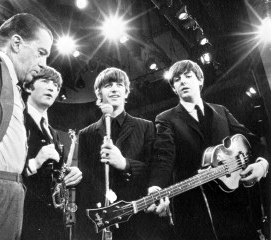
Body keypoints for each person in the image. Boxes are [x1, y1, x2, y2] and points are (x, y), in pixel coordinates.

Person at [148, 59, 269, 240]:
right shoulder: (166, 119)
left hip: (233, 207)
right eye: (177, 80)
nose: (182, 81)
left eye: (188, 76)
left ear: (200, 80)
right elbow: (164, 156)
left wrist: (262, 164)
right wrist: (156, 185)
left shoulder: (221, 112)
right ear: (174, 89)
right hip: (195, 209)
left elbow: (253, 142)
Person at [0, 13, 53, 239]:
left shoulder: (18, 91)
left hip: (13, 196)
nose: (44, 65)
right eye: (41, 53)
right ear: (16, 43)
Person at [76, 67, 169, 240]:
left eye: (119, 85)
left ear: (126, 92)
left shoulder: (146, 126)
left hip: (139, 217)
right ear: (98, 93)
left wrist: (125, 164)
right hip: (102, 219)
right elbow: (86, 182)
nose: (114, 89)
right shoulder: (86, 134)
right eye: (108, 85)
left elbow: (155, 170)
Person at [21, 66, 82, 240]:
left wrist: (72, 174)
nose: (51, 87)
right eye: (45, 82)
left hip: (53, 220)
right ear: (28, 87)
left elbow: (57, 174)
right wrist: (35, 162)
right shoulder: (17, 119)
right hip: (25, 217)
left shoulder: (53, 133)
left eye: (55, 85)